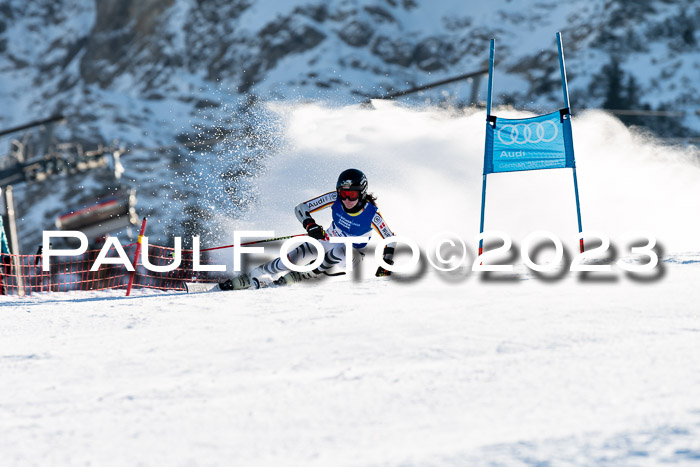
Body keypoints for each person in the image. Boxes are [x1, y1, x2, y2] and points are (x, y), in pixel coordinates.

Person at [221, 168, 396, 289]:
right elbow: (301, 208)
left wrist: (386, 263)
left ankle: (300, 275)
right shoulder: (334, 198)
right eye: (343, 194)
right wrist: (310, 225)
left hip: (352, 256)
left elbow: (391, 239)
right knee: (291, 257)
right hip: (327, 240)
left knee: (343, 250)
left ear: (362, 193)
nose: (347, 199)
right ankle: (251, 276)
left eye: (352, 194)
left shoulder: (371, 214)